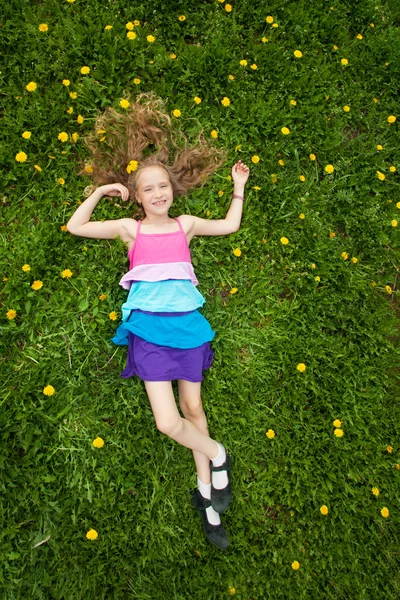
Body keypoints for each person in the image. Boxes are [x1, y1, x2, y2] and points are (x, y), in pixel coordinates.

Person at [66, 92, 250, 550]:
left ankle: (207, 498)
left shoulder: (186, 223)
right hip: (148, 332)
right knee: (168, 422)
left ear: (173, 189)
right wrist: (99, 193)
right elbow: (75, 228)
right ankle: (219, 455)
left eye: (162, 185)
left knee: (193, 412)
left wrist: (238, 188)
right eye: (147, 189)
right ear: (138, 197)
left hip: (188, 328)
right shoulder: (131, 229)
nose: (157, 194)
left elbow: (229, 226)